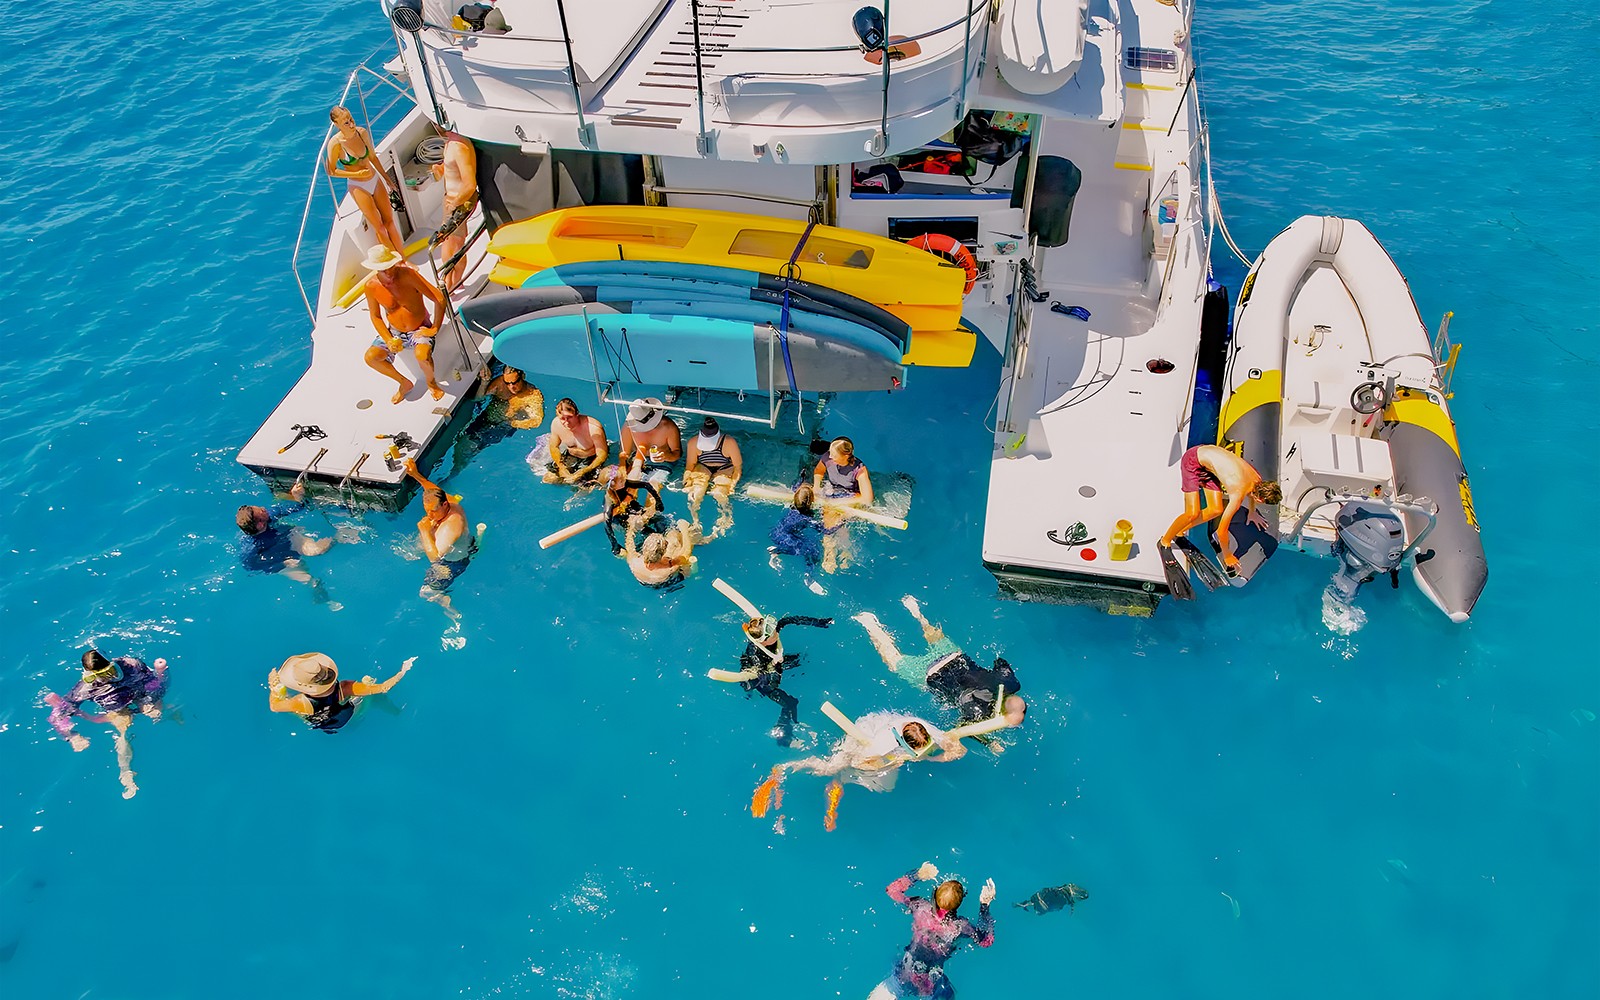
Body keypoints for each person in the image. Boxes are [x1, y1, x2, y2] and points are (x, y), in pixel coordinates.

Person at [753, 711, 965, 831]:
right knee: (831, 767)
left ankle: (840, 784)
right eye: (918, 752)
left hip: (890, 733)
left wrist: (931, 758)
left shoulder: (924, 730)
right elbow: (860, 762)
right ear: (903, 743)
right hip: (865, 735)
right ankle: (786, 768)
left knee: (887, 787)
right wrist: (892, 762)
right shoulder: (881, 745)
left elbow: (958, 751)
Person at [854, 596, 1027, 734]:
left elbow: (1000, 662)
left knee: (934, 636)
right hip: (931, 674)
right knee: (893, 660)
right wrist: (990, 742)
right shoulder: (978, 712)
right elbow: (962, 729)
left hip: (956, 657)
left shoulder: (1011, 683)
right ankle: (870, 625)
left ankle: (915, 611)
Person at [46, 650, 170, 799]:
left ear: (113, 664)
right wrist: (72, 736)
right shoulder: (85, 688)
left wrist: (160, 674)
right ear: (89, 675)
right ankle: (126, 772)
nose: (107, 678)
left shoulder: (131, 665)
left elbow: (153, 683)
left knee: (156, 711)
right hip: (118, 709)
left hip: (139, 694)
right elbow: (57, 716)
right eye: (99, 675)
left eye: (109, 671)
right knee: (124, 732)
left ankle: (170, 715)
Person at [870, 862, 996, 1000]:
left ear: (935, 894)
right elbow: (986, 941)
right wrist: (985, 905)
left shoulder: (919, 907)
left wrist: (918, 874)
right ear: (958, 905)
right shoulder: (960, 927)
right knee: (948, 994)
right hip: (930, 984)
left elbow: (891, 890)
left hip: (904, 973)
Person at [1158, 444, 1282, 573]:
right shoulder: (1238, 492)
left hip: (1207, 464)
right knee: (1192, 513)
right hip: (1192, 460)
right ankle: (1164, 541)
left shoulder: (1257, 480)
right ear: (1260, 499)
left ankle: (1179, 532)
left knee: (1215, 510)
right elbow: (1221, 531)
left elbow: (1252, 495)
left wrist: (1251, 512)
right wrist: (1228, 556)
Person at [720, 613, 833, 745]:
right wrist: (776, 666)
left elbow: (791, 619)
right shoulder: (756, 656)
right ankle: (782, 729)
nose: (777, 633)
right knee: (791, 703)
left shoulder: (771, 632)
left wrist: (818, 622)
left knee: (798, 659)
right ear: (764, 641)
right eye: (773, 634)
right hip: (758, 676)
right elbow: (772, 681)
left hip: (772, 661)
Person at [235, 479, 347, 606]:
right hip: (279, 558)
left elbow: (295, 507)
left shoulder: (270, 516)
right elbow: (249, 565)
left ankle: (341, 535)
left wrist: (297, 496)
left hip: (289, 537)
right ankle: (323, 598)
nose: (264, 508)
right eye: (261, 511)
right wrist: (281, 561)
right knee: (308, 578)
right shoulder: (251, 547)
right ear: (260, 524)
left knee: (317, 550)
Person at [362, 245, 446, 404]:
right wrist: (388, 339)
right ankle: (403, 383)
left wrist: (434, 328)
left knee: (422, 355)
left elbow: (439, 298)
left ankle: (431, 382)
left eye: (390, 267)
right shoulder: (371, 286)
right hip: (394, 332)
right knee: (370, 357)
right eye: (383, 270)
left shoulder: (409, 275)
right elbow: (375, 316)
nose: (388, 272)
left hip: (419, 328)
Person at [404, 458, 484, 619]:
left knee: (425, 592)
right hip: (465, 544)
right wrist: (416, 475)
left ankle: (446, 602)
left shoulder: (451, 525)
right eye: (427, 510)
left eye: (433, 511)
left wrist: (425, 531)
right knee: (411, 552)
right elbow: (432, 489)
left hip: (454, 562)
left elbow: (435, 558)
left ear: (445, 505)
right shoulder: (451, 502)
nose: (429, 515)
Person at [268, 652, 412, 733]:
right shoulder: (346, 687)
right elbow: (383, 688)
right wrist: (402, 672)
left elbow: (274, 706)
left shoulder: (300, 702)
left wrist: (274, 687)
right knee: (365, 692)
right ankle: (365, 696)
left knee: (294, 709)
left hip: (322, 724)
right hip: (347, 715)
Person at [327, 106, 404, 252]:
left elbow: (373, 157)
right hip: (358, 186)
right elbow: (332, 171)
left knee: (390, 223)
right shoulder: (335, 144)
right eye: (345, 123)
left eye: (351, 119)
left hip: (374, 179)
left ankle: (403, 259)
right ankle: (396, 264)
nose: (351, 124)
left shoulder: (361, 133)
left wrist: (387, 179)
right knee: (380, 228)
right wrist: (357, 175)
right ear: (336, 125)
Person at [450, 365, 544, 476]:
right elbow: (478, 398)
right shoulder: (500, 384)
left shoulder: (532, 395)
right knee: (462, 442)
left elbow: (536, 421)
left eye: (515, 382)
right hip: (486, 418)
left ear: (522, 376)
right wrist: (485, 382)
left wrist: (513, 423)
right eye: (508, 383)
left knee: (471, 446)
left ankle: (456, 473)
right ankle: (456, 470)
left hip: (503, 426)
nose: (511, 387)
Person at [812, 436, 875, 573]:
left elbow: (867, 498)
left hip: (852, 496)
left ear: (846, 455)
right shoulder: (828, 458)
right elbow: (818, 471)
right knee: (828, 517)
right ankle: (831, 553)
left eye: (834, 455)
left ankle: (845, 552)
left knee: (840, 519)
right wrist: (816, 487)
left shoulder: (860, 470)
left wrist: (842, 502)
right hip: (834, 491)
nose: (830, 457)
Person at [432, 128, 478, 294]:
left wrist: (454, 204)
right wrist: (440, 170)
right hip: (451, 200)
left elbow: (470, 184)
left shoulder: (459, 146)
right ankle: (454, 283)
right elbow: (452, 170)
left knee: (454, 246)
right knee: (450, 244)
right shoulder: (450, 144)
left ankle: (452, 285)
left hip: (457, 203)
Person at [683, 417, 742, 538]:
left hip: (725, 467)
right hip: (703, 466)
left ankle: (725, 520)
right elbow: (690, 466)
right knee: (696, 492)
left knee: (719, 493)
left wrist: (732, 485)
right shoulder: (693, 443)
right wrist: (687, 479)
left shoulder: (729, 443)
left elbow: (737, 468)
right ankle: (695, 522)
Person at [767, 484, 830, 595]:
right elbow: (826, 531)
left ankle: (777, 551)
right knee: (813, 550)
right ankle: (808, 577)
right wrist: (843, 521)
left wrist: (801, 478)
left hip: (776, 533)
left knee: (806, 546)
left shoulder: (793, 506)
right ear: (811, 501)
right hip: (787, 539)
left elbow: (795, 487)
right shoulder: (807, 518)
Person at [543, 397, 609, 484]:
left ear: (577, 414)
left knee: (583, 488)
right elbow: (553, 446)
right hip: (571, 456)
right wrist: (561, 466)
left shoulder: (593, 428)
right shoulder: (556, 424)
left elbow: (602, 455)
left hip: (591, 459)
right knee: (549, 479)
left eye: (569, 417)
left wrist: (584, 471)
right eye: (562, 418)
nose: (566, 422)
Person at [602, 465, 666, 555]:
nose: (624, 480)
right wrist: (614, 544)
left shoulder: (624, 483)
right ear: (613, 487)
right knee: (640, 527)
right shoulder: (609, 501)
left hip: (630, 506)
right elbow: (607, 523)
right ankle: (643, 544)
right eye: (621, 481)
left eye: (623, 478)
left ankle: (663, 533)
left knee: (658, 519)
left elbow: (645, 485)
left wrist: (658, 501)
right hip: (619, 516)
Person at [620, 397, 682, 487]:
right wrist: (622, 468)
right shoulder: (628, 427)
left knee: (654, 486)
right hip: (639, 460)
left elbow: (677, 454)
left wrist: (667, 456)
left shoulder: (668, 427)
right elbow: (624, 453)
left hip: (664, 462)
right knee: (621, 487)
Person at [623, 516, 699, 588]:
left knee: (673, 539)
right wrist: (684, 529)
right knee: (677, 542)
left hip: (644, 582)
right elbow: (686, 553)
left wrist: (631, 527)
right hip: (667, 582)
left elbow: (629, 545)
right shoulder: (669, 567)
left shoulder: (634, 561)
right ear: (663, 553)